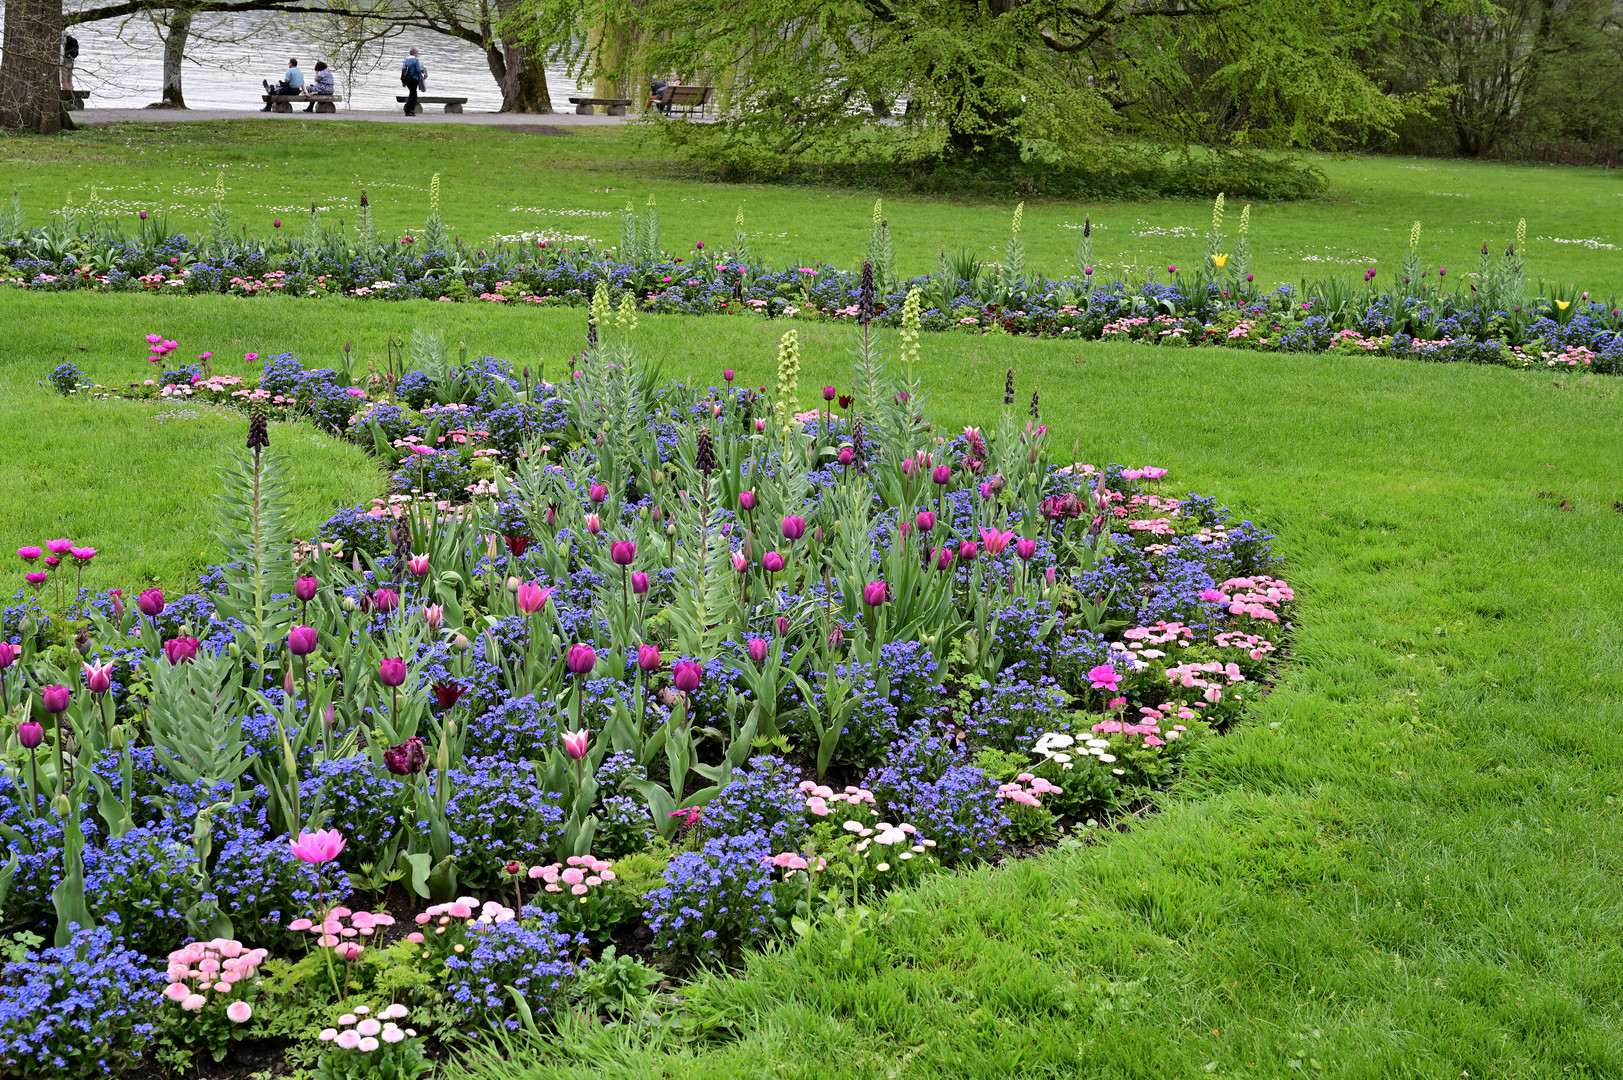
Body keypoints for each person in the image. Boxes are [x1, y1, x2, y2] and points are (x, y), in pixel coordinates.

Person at [401, 48, 426, 116]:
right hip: (413, 79)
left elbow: (403, 71)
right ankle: (409, 110)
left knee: (412, 93)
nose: (417, 54)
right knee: (413, 95)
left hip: (406, 79)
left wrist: (403, 82)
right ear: (415, 53)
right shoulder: (415, 60)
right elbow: (418, 70)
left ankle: (410, 110)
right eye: (417, 53)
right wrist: (422, 70)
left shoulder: (405, 60)